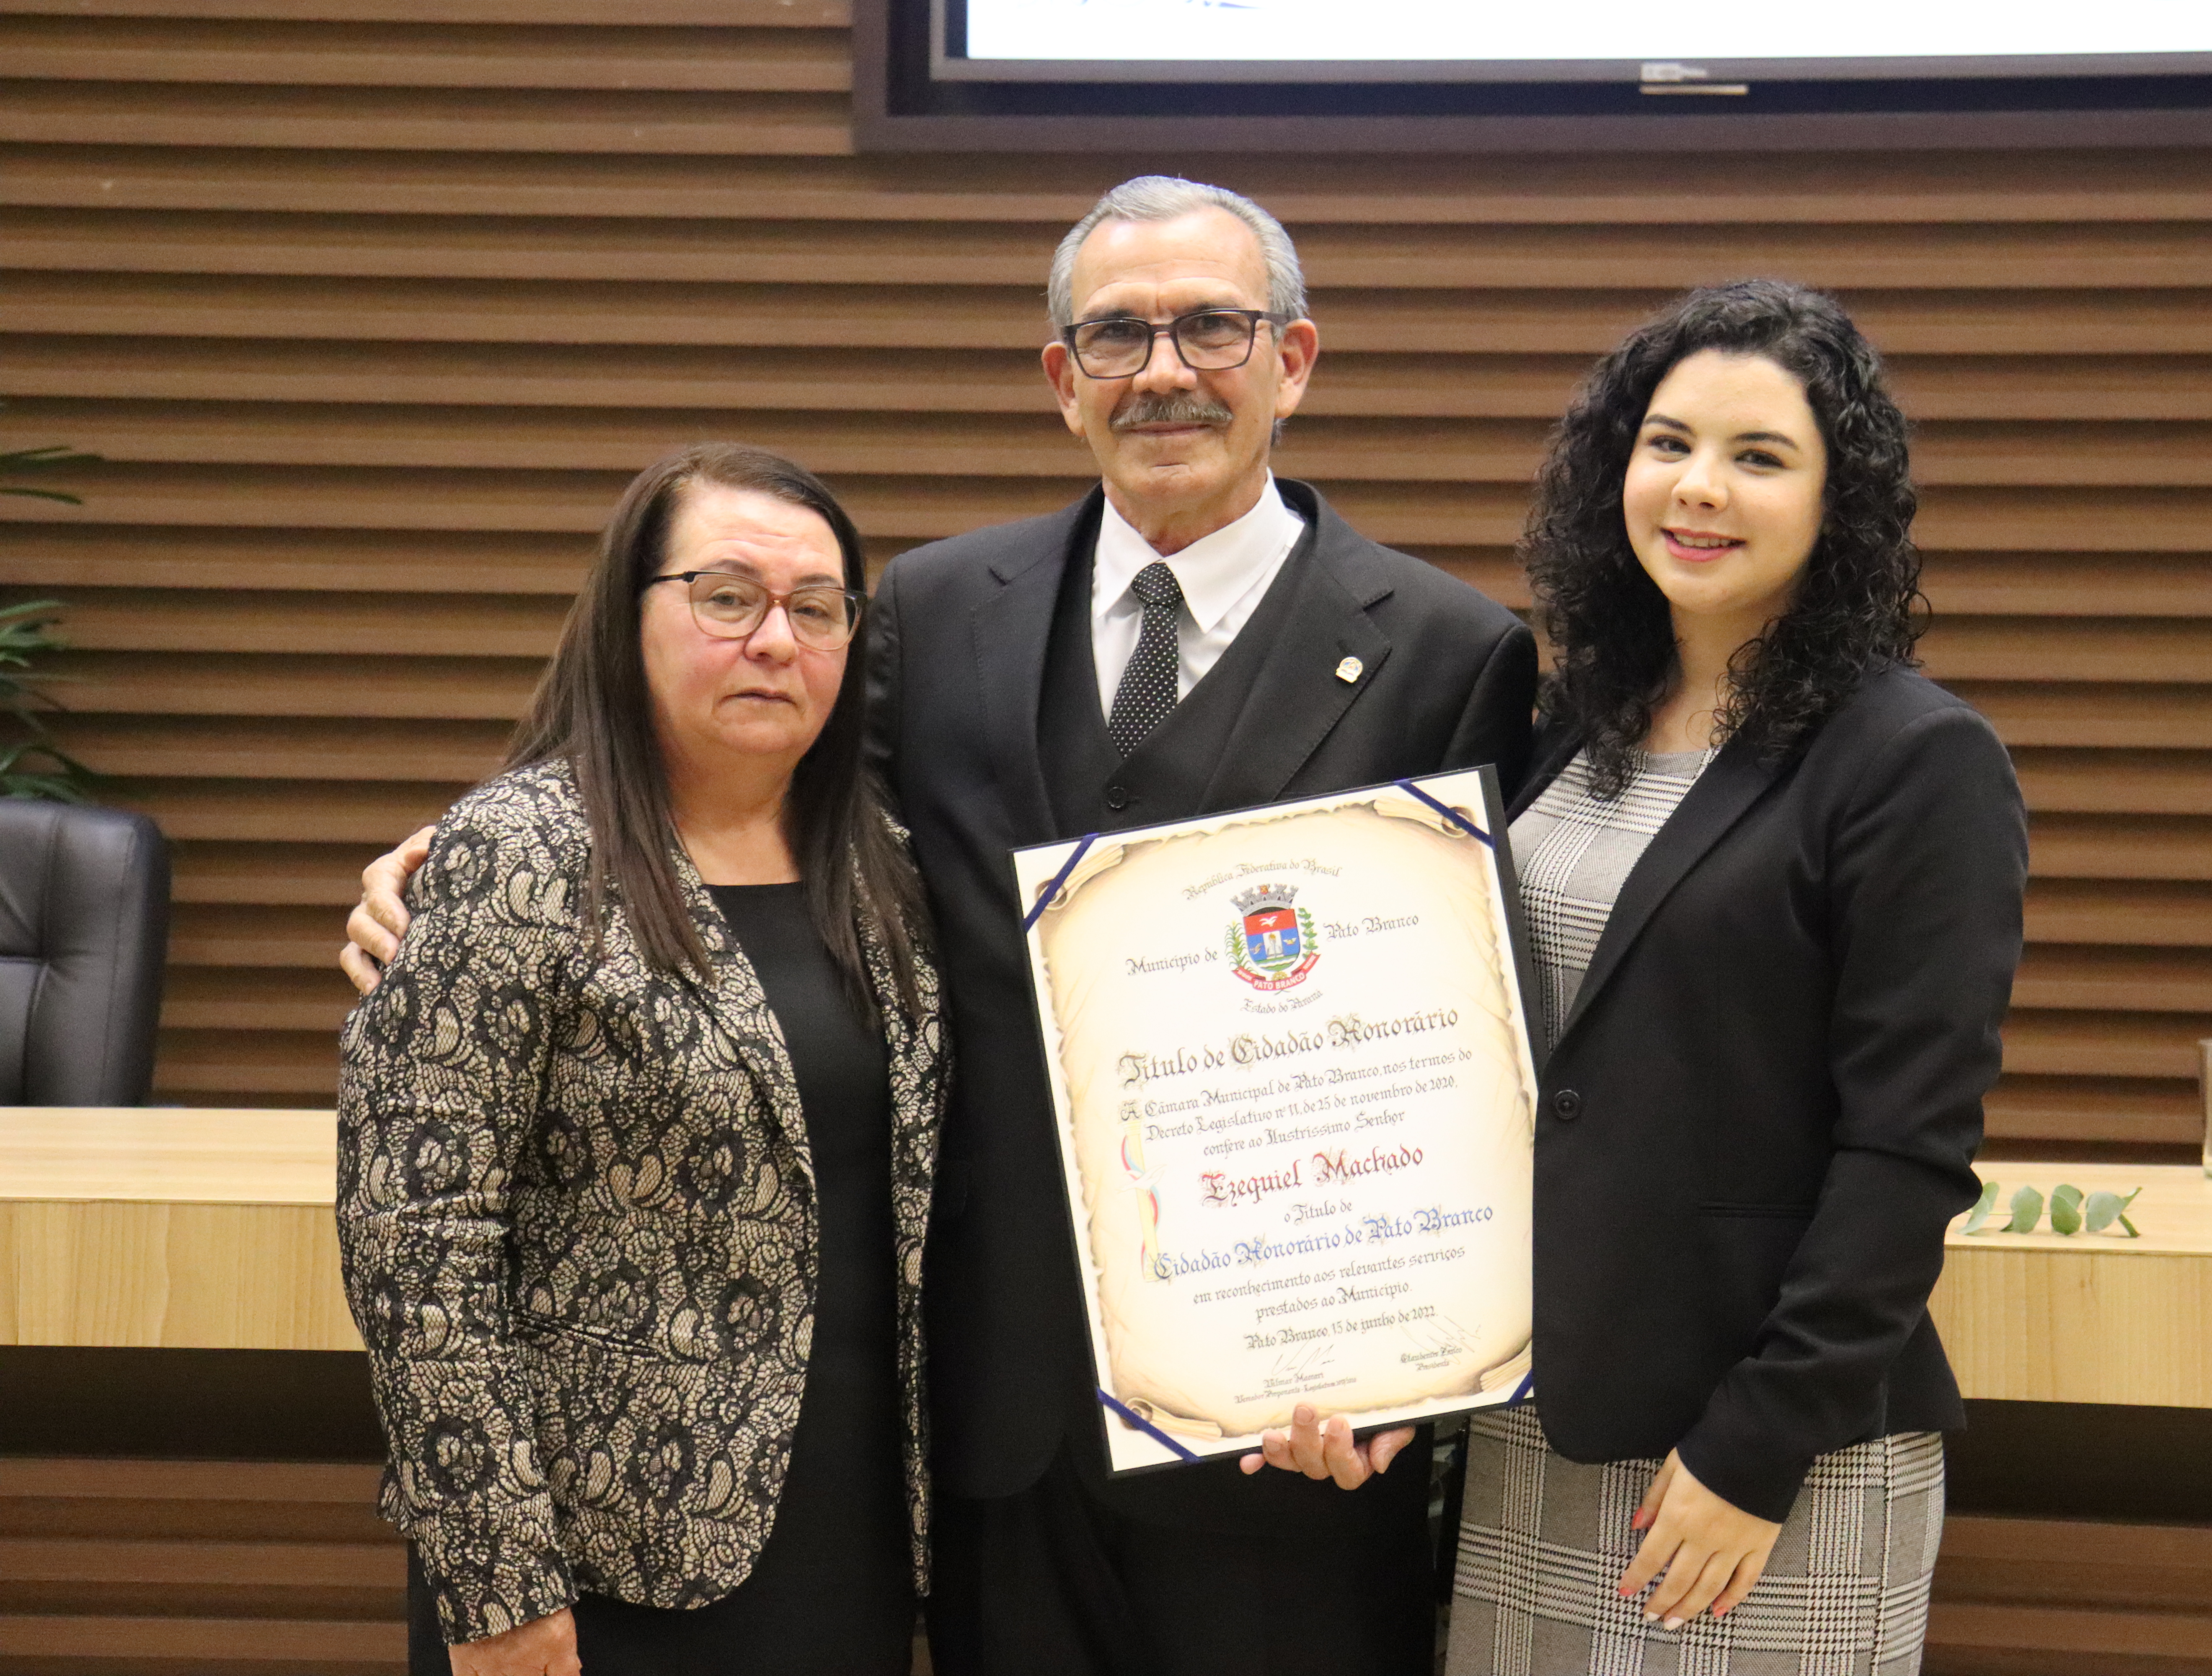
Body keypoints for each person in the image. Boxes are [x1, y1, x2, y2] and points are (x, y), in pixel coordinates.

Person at [344, 177, 1536, 1675]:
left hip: (1288, 1440)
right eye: (1118, 336)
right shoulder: (931, 606)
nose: (1165, 371)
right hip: (992, 1434)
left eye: (1213, 329)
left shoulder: (1450, 653)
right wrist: (457, 859)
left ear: (1293, 361)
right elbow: (777, 813)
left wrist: (1409, 1360)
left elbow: (1479, 1050)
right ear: (1064, 383)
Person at [1446, 281, 2026, 1676]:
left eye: (1759, 458)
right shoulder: (1563, 727)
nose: (1699, 489)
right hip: (1535, 1426)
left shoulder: (1912, 762)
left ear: (1841, 503)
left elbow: (1907, 1150)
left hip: (1760, 1452)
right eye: (1669, 444)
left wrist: (1755, 1447)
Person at [336, 442, 948, 1676]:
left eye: (816, 608)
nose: (775, 639)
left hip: (857, 1538)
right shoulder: (521, 854)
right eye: (727, 597)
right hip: (595, 1564)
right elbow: (417, 1240)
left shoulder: (888, 862)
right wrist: (498, 1584)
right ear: (630, 616)